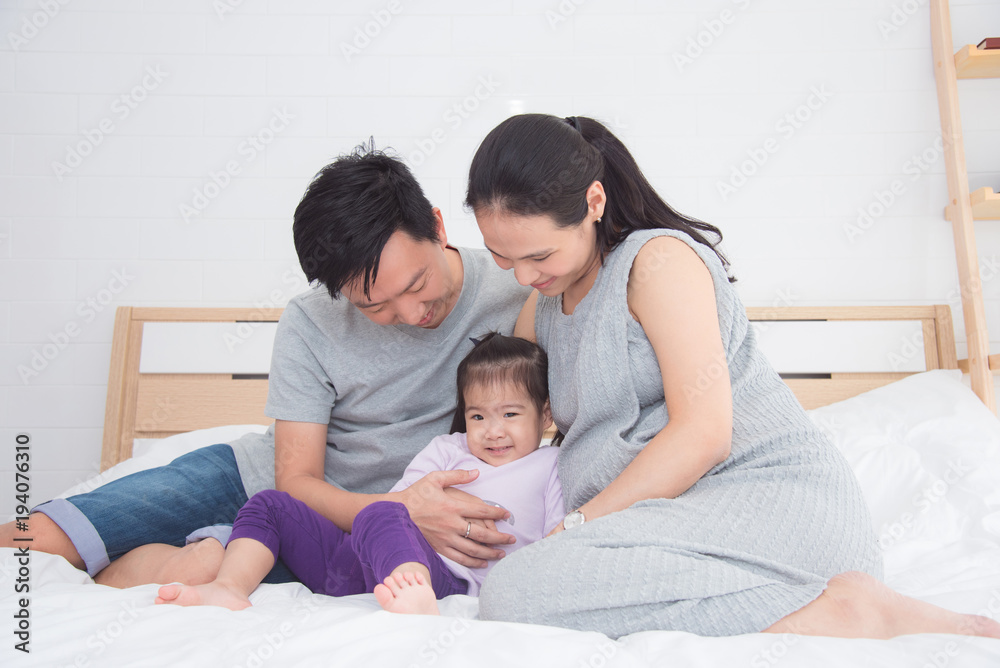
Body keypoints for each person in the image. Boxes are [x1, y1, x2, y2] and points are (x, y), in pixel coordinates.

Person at [463, 113, 1000, 640]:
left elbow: (704, 433)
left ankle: (855, 611)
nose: (527, 276)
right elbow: (506, 415)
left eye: (539, 255)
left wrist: (577, 528)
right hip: (660, 521)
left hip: (767, 501)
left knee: (518, 590)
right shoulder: (543, 308)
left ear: (594, 203)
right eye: (504, 260)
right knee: (516, 589)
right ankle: (829, 611)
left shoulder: (656, 264)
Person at [0, 144, 533, 589]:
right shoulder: (309, 321)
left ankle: (159, 562)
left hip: (340, 532)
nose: (409, 313)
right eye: (373, 306)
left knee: (209, 565)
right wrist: (398, 509)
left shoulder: (516, 297)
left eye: (416, 285)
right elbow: (293, 480)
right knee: (35, 539)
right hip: (254, 480)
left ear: (437, 227)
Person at [154, 333, 563, 615]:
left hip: (446, 576)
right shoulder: (447, 449)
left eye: (510, 414)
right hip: (352, 566)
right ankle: (228, 587)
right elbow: (402, 507)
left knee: (378, 514)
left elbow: (557, 542)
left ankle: (413, 595)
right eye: (478, 415)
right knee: (272, 503)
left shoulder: (550, 465)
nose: (493, 431)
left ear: (544, 414)